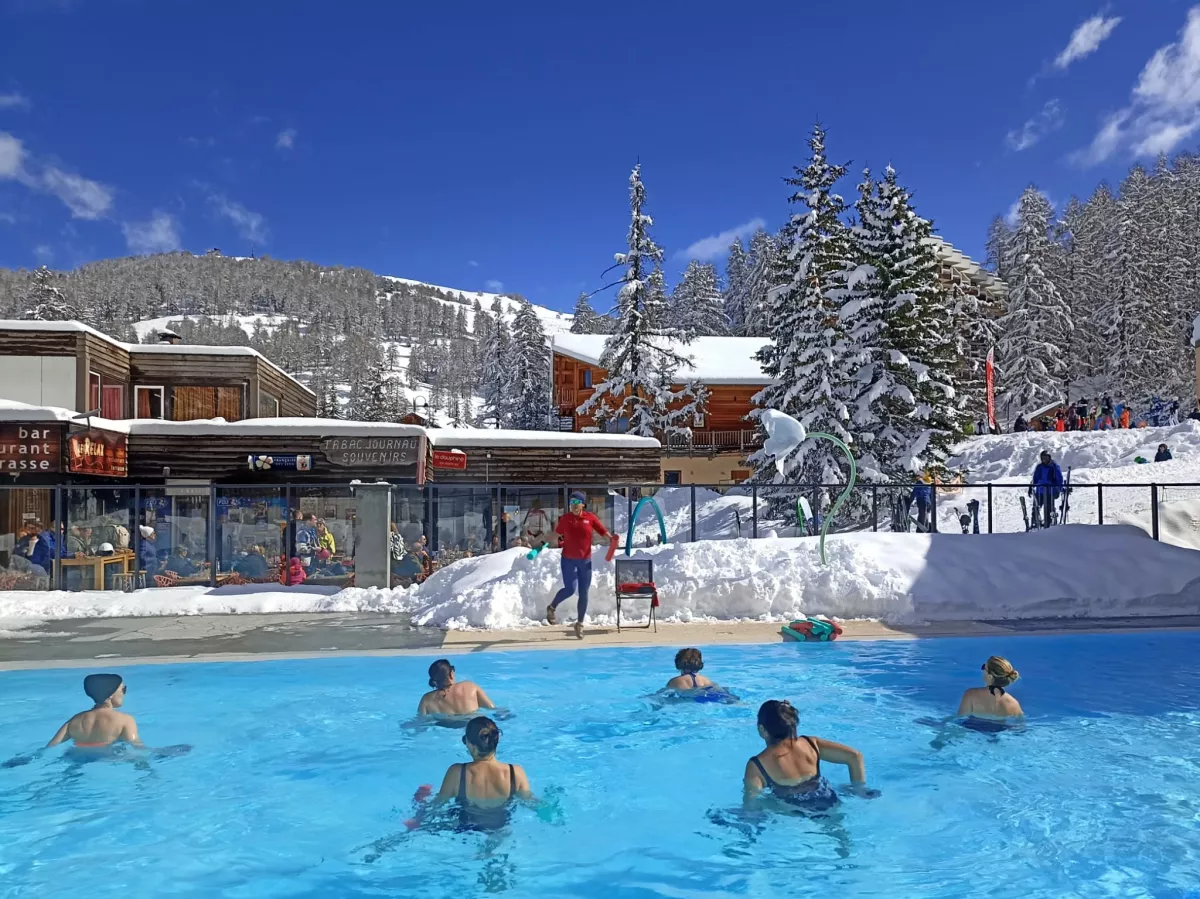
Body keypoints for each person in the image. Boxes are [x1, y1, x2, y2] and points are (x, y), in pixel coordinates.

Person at [743, 700, 875, 811]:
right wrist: (859, 788)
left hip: (796, 811)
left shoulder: (757, 765)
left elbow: (751, 805)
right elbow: (854, 756)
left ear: (762, 729)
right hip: (829, 800)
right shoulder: (811, 744)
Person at [428, 717, 533, 831]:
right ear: (496, 740)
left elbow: (436, 805)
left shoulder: (457, 772)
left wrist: (420, 810)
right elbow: (530, 802)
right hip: (499, 827)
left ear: (471, 745)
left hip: (465, 827)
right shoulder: (515, 772)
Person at [545, 491, 617, 639]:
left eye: (577, 502)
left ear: (583, 504)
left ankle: (580, 624)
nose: (574, 506)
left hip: (585, 561)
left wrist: (611, 539)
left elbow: (602, 531)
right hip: (568, 559)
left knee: (583, 593)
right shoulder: (566, 519)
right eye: (571, 503)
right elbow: (556, 534)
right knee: (570, 589)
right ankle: (552, 607)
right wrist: (542, 542)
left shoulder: (590, 518)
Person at [46, 674, 141, 749]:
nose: (124, 693)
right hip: (109, 759)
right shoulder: (125, 720)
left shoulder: (75, 720)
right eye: (123, 690)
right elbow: (137, 747)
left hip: (77, 757)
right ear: (111, 694)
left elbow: (51, 746)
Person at [418, 659, 497, 718]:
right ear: (451, 673)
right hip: (471, 727)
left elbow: (420, 723)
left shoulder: (426, 700)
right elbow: (493, 709)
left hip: (446, 730)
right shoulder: (470, 687)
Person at [956, 656, 1023, 720]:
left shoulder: (971, 695)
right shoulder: (1014, 704)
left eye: (984, 667)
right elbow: (1019, 727)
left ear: (990, 676)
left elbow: (960, 718)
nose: (982, 670)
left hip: (974, 729)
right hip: (1001, 730)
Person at [1030, 450, 1064, 528]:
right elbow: (1035, 477)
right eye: (1043, 458)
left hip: (1050, 491)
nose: (1044, 460)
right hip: (1040, 490)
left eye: (1046, 458)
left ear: (1049, 458)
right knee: (1036, 507)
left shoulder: (1054, 467)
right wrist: (1032, 486)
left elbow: (1059, 479)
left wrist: (1060, 488)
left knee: (1048, 508)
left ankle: (1048, 523)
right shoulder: (1039, 467)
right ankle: (1035, 522)